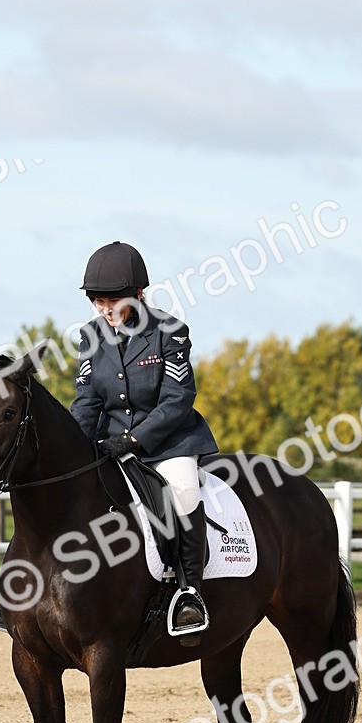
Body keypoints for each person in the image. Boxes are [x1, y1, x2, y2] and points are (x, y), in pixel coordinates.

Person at [71, 241, 218, 634]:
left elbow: (178, 399)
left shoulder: (169, 332)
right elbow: (86, 402)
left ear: (138, 295)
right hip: (110, 442)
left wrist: (134, 442)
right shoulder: (91, 336)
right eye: (97, 301)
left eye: (112, 301)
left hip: (169, 442)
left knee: (185, 491)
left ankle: (190, 593)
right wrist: (75, 449)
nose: (104, 310)